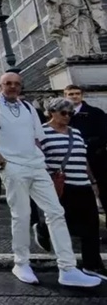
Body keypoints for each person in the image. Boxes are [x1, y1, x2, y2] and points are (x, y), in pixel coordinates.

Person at [0, 72, 100, 288]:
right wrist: (4, 163)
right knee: (21, 215)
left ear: (21, 86)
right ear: (0, 86)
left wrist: (39, 159)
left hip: (36, 166)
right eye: (8, 83)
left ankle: (67, 268)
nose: (12, 87)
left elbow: (38, 138)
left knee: (56, 212)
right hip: (13, 167)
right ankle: (21, 263)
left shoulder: (27, 108)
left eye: (16, 84)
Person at [33, 98, 107, 280]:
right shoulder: (41, 132)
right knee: (64, 221)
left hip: (83, 184)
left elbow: (83, 158)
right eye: (63, 113)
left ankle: (92, 265)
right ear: (52, 112)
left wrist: (93, 182)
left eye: (70, 113)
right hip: (61, 186)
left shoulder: (76, 132)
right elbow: (37, 159)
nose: (67, 116)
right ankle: (43, 229)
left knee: (92, 225)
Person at [64, 84, 107, 233]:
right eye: (71, 94)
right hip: (73, 161)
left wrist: (87, 144)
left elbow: (104, 134)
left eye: (77, 93)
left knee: (103, 191)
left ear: (82, 95)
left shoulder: (96, 113)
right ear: (65, 96)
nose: (74, 96)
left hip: (96, 158)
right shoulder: (63, 115)